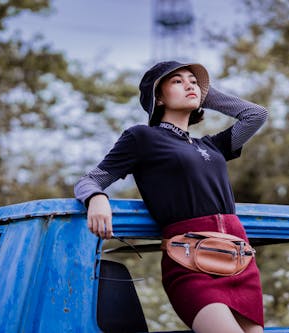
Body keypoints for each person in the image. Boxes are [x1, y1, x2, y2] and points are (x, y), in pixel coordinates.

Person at [74, 60, 268, 333]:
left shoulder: (212, 145)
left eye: (193, 80)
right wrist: (96, 198)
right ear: (159, 97)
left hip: (239, 259)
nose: (189, 84)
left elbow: (256, 114)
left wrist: (204, 94)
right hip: (189, 261)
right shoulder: (142, 138)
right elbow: (91, 179)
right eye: (177, 81)